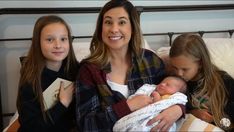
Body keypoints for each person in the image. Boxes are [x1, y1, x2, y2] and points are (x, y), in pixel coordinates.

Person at [76, 0, 185, 131]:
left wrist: (179, 109)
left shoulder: (151, 61)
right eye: (108, 22)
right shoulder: (89, 70)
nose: (114, 29)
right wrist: (127, 106)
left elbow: (178, 91)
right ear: (101, 28)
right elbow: (86, 125)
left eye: (122, 22)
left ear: (132, 28)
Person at [16, 15, 79, 132]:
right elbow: (30, 127)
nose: (58, 45)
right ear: (37, 42)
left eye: (63, 39)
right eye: (50, 39)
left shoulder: (76, 71)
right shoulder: (30, 79)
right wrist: (62, 103)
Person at [169, 33, 234, 131]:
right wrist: (193, 113)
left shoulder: (223, 81)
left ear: (200, 63)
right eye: (174, 67)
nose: (179, 74)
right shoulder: (172, 83)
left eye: (185, 69)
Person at [113, 76, 187, 131]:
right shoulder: (150, 90)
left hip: (159, 123)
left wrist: (157, 97)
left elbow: (158, 105)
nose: (162, 84)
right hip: (140, 117)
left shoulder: (173, 98)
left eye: (168, 85)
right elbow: (135, 98)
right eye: (162, 82)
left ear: (177, 92)